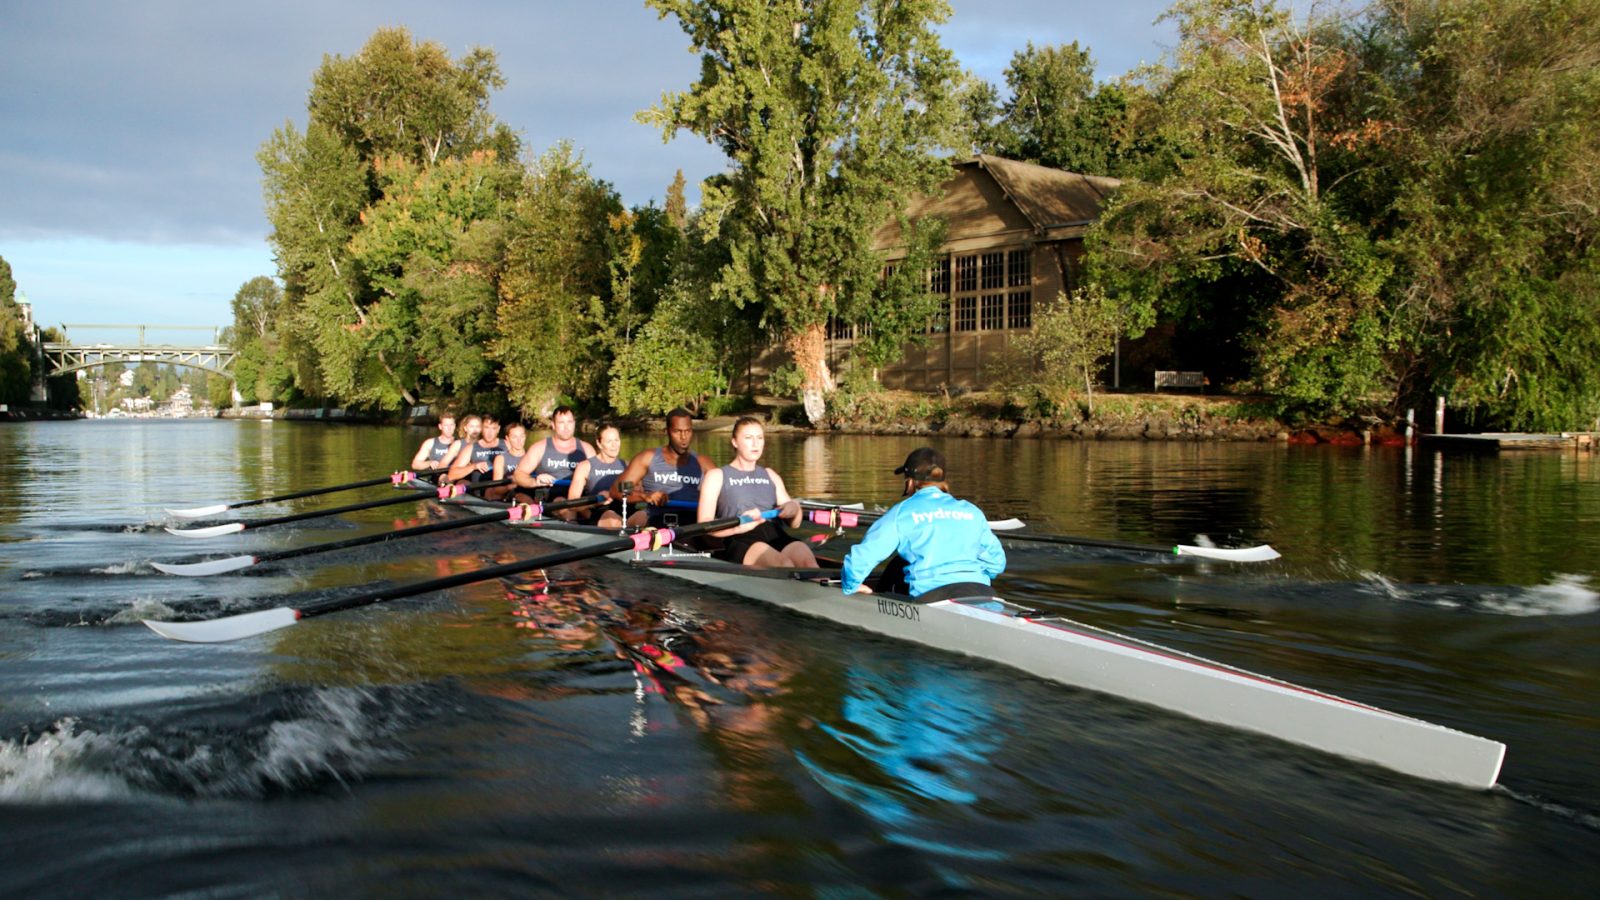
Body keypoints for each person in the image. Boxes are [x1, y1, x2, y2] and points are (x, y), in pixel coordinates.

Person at [840, 447, 1006, 601]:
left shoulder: (902, 512)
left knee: (898, 564)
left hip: (930, 596)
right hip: (981, 593)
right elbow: (997, 563)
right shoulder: (972, 511)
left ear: (910, 482)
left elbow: (863, 556)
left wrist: (851, 586)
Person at [697, 417, 817, 569]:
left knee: (808, 563)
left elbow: (795, 523)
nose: (755, 443)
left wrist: (793, 508)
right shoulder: (716, 475)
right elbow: (704, 524)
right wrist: (738, 527)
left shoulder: (770, 475)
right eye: (748, 438)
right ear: (734, 442)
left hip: (774, 533)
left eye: (760, 438)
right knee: (784, 565)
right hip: (740, 537)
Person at [611, 408, 716, 527]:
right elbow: (616, 491)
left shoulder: (704, 463)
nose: (684, 437)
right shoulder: (647, 458)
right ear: (667, 432)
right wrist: (645, 496)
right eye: (678, 431)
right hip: (660, 520)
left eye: (688, 431)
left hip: (694, 521)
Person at [513, 406, 596, 497]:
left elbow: (597, 479)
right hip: (548, 499)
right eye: (561, 422)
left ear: (574, 423)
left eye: (569, 422)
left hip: (577, 500)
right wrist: (535, 481)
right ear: (553, 425)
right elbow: (518, 475)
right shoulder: (539, 448)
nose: (566, 427)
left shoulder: (587, 449)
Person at [568, 422, 627, 527]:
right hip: (600, 513)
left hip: (626, 511)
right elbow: (572, 504)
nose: (614, 445)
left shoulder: (627, 465)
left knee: (642, 515)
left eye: (616, 440)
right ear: (599, 443)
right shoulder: (585, 466)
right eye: (609, 441)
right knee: (611, 516)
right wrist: (595, 501)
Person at [446, 414, 506, 486]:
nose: (490, 432)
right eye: (486, 428)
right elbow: (452, 474)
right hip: (479, 489)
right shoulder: (471, 448)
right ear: (481, 428)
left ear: (498, 429)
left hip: (503, 487)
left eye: (493, 428)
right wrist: (474, 466)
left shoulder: (508, 445)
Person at [485, 422, 528, 502]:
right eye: (514, 437)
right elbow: (497, 489)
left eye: (521, 436)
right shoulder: (500, 459)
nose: (519, 441)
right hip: (512, 492)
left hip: (530, 490)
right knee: (523, 497)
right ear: (507, 439)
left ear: (525, 436)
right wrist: (510, 486)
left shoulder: (533, 456)